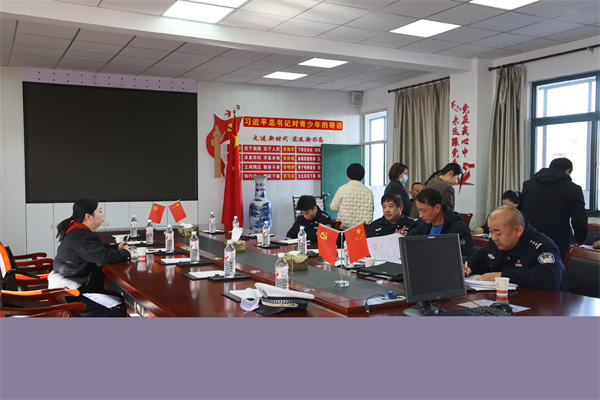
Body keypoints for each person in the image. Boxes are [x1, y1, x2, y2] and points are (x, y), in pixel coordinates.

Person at [48, 198, 131, 317]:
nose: (103, 214)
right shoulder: (82, 236)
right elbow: (102, 257)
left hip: (65, 289)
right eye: (100, 211)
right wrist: (126, 253)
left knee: (118, 297)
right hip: (71, 293)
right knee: (117, 304)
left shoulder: (79, 231)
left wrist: (116, 247)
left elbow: (96, 248)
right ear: (88, 216)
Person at [466, 206, 568, 291]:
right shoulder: (497, 241)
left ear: (517, 231)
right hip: (507, 299)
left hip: (544, 303)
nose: (493, 237)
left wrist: (503, 276)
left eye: (498, 233)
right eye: (490, 232)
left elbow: (550, 278)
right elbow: (483, 257)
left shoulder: (542, 246)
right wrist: (468, 266)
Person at [518, 157, 588, 260]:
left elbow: (519, 213)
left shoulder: (529, 184)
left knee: (528, 268)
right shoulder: (573, 189)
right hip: (557, 243)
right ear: (567, 171)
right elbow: (579, 219)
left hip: (528, 239)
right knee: (553, 269)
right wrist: (580, 239)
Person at [408, 188, 473, 257]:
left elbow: (464, 257)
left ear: (437, 208)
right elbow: (410, 241)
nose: (420, 215)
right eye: (418, 210)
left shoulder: (459, 229)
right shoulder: (423, 224)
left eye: (424, 211)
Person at [329, 163, 374, 230]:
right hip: (362, 230)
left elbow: (333, 207)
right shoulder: (369, 192)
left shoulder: (343, 189)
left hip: (344, 229)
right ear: (362, 176)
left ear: (348, 175)